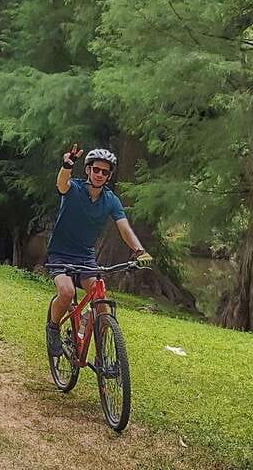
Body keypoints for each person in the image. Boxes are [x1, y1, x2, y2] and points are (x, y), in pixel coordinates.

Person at [46, 144, 151, 356]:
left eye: (104, 172)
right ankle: (53, 328)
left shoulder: (111, 200)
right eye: (96, 169)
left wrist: (139, 251)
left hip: (86, 257)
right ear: (88, 170)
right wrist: (67, 165)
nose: (99, 174)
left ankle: (103, 356)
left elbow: (124, 228)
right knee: (67, 292)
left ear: (109, 176)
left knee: (101, 303)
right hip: (60, 254)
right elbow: (61, 184)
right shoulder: (74, 189)